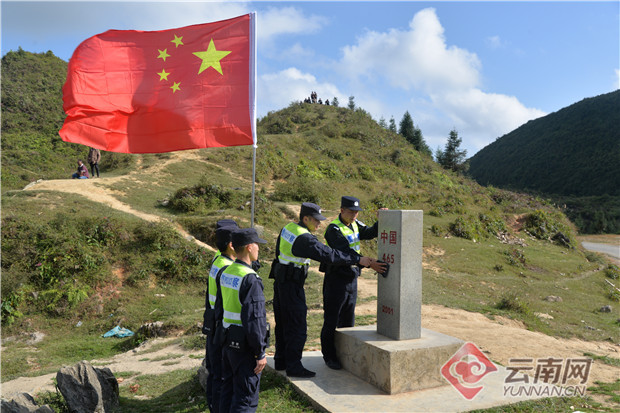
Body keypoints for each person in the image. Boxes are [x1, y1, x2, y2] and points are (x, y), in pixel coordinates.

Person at [272, 202, 385, 377]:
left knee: (283, 323)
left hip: (282, 281)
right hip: (291, 285)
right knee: (297, 326)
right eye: (316, 220)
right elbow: (328, 254)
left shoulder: (289, 228)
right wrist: (359, 260)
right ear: (305, 218)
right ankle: (293, 366)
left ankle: (281, 360)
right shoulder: (305, 238)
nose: (319, 224)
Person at [320, 196, 384, 370]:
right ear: (341, 210)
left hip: (351, 278)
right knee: (332, 319)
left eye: (356, 211)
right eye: (351, 211)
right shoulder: (333, 229)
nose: (354, 214)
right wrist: (368, 262)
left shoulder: (355, 223)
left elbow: (369, 233)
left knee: (348, 318)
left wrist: (380, 221)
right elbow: (344, 252)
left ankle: (345, 354)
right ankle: (329, 356)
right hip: (336, 279)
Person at [216, 228, 268, 413]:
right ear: (248, 247)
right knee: (245, 398)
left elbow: (220, 309)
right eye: (257, 245)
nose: (258, 249)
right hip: (245, 347)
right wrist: (260, 352)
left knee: (228, 392)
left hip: (227, 341)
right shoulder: (250, 279)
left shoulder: (226, 272)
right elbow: (255, 320)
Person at [202, 224, 236, 413]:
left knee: (215, 372)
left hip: (213, 321)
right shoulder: (227, 269)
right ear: (232, 245)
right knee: (221, 374)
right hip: (220, 325)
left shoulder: (218, 260)